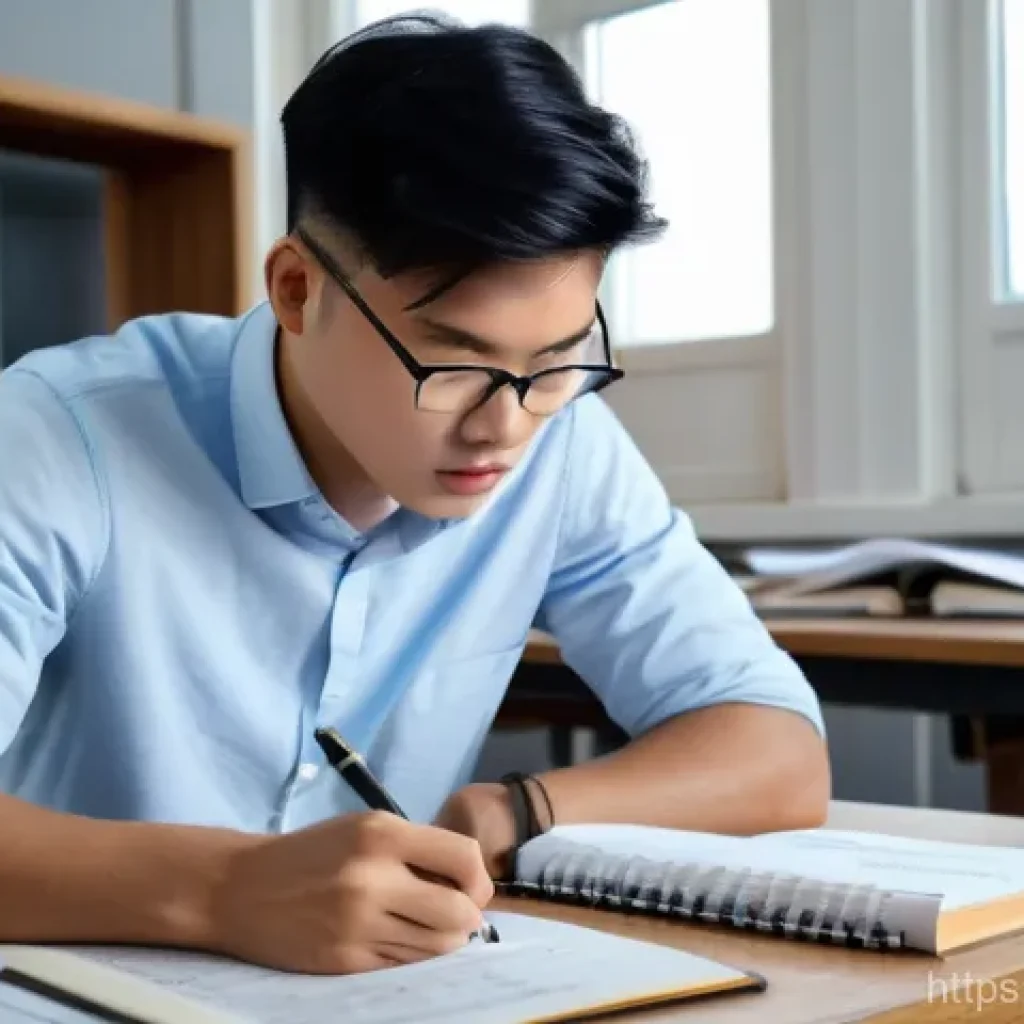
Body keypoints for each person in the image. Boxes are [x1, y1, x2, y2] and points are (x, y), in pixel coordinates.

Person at [0, 13, 828, 976]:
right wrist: (224, 890)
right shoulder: (54, 438)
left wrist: (519, 812)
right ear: (298, 289)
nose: (505, 426)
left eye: (559, 360)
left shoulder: (561, 442)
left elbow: (776, 748)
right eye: (452, 363)